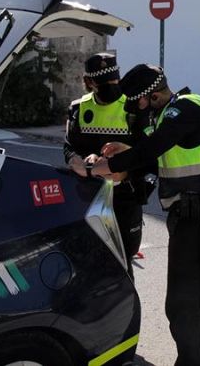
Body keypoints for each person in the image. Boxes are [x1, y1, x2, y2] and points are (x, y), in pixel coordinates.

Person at [91, 64, 200, 366]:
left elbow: (152, 148)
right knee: (196, 297)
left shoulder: (187, 109)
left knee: (188, 302)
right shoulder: (173, 114)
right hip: (191, 219)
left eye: (139, 103)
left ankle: (195, 362)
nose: (138, 110)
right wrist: (126, 149)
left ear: (152, 95)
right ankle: (198, 360)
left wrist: (101, 167)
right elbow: (159, 156)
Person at [63, 52, 151, 277]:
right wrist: (77, 161)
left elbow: (149, 155)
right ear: (90, 82)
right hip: (87, 196)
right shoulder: (78, 108)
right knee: (86, 262)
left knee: (123, 262)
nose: (112, 85)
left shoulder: (134, 108)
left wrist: (123, 174)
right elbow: (68, 147)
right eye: (105, 82)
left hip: (124, 198)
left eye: (115, 80)